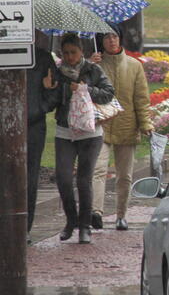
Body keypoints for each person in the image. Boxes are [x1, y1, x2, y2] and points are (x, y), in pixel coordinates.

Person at [45, 33, 115, 244]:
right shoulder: (58, 73)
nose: (69, 57)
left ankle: (85, 226)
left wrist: (85, 89)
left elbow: (108, 93)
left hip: (90, 132)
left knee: (84, 180)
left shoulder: (93, 69)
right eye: (65, 53)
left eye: (73, 52)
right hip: (65, 132)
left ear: (81, 52)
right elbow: (50, 104)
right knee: (64, 179)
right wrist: (51, 89)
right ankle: (71, 221)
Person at [90, 25, 153, 231]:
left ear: (120, 38)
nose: (111, 40)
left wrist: (146, 124)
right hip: (101, 125)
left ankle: (121, 215)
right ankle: (96, 212)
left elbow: (141, 99)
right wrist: (89, 67)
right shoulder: (95, 65)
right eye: (107, 37)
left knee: (124, 175)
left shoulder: (134, 66)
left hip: (127, 125)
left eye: (115, 36)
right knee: (98, 170)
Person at [26, 34, 58, 244]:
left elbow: (54, 91)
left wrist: (40, 109)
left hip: (33, 125)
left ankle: (24, 227)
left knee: (29, 177)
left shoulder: (43, 57)